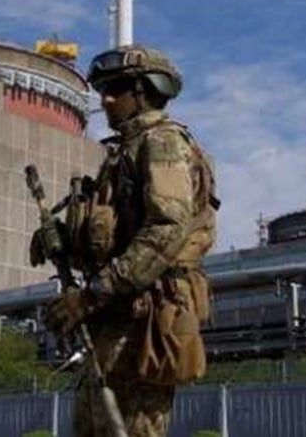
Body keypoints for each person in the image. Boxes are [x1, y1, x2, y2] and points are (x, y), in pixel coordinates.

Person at [38, 44, 219, 436]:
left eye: (116, 89)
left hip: (143, 323)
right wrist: (64, 239)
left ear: (144, 91)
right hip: (115, 319)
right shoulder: (125, 153)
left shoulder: (162, 143)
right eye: (104, 89)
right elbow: (115, 237)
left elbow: (166, 229)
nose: (105, 99)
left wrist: (91, 295)